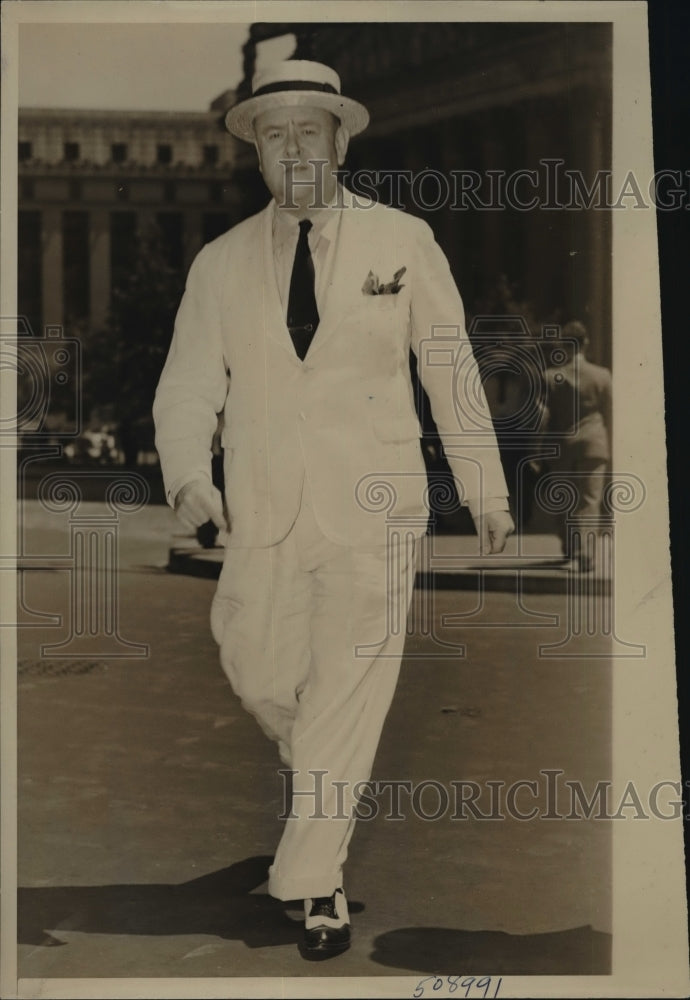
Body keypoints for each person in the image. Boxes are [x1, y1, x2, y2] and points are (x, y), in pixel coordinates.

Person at [153, 59, 514, 957]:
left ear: (340, 141)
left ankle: (315, 884)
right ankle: (324, 774)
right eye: (273, 135)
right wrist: (190, 476)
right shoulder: (221, 260)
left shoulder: (403, 239)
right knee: (262, 674)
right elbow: (189, 384)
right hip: (263, 511)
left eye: (307, 130)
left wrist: (485, 487)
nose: (292, 148)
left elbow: (449, 365)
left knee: (347, 698)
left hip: (374, 509)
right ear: (257, 156)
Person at [537, 320, 612, 571]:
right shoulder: (602, 376)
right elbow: (611, 414)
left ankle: (570, 550)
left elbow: (541, 417)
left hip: (562, 446)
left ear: (563, 345)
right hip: (594, 445)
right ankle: (585, 556)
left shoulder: (550, 377)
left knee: (564, 500)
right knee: (589, 500)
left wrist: (537, 448)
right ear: (586, 343)